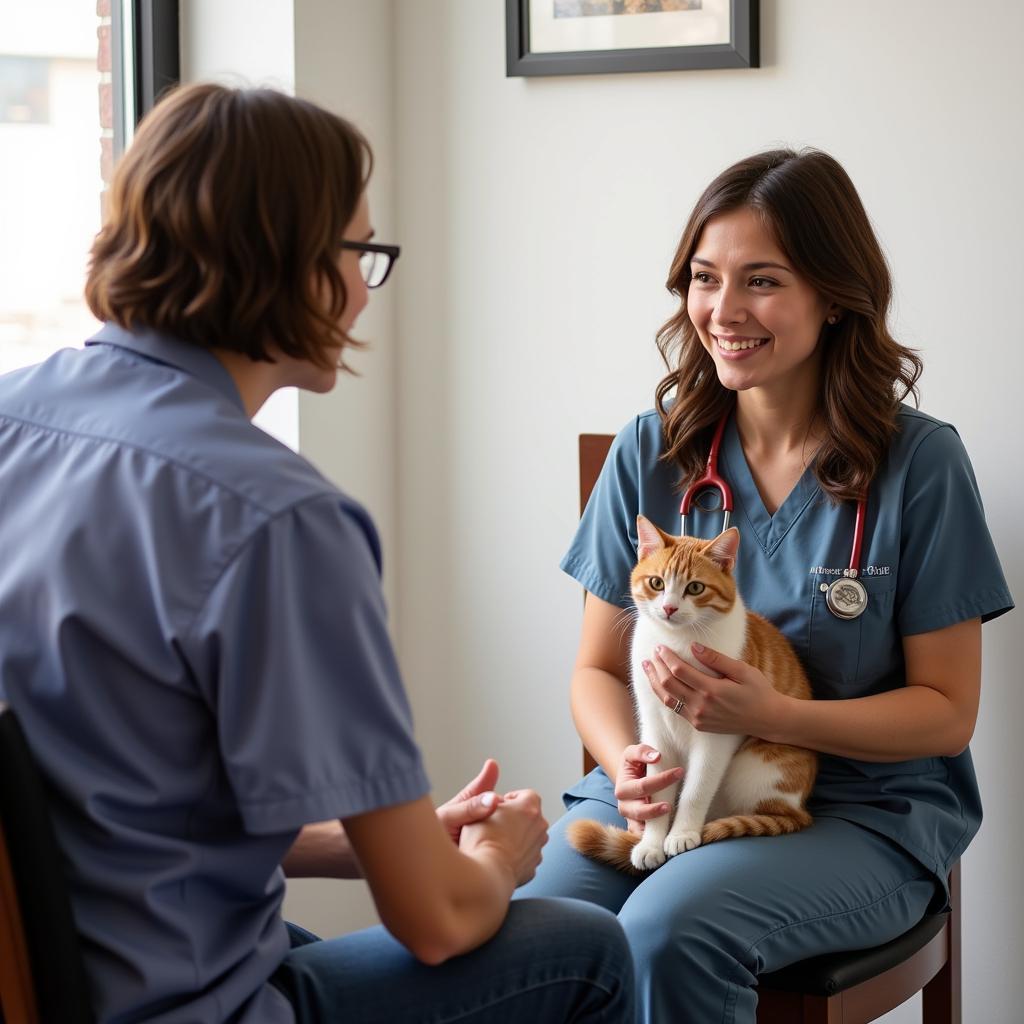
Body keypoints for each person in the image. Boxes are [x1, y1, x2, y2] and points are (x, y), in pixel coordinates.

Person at [0, 83, 634, 1024]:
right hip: (179, 1003)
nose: (358, 289)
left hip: (66, 968)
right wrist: (496, 860)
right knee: (587, 948)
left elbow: (115, 800)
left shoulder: (15, 417)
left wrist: (376, 840)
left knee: (308, 945)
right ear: (291, 262)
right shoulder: (278, 518)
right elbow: (435, 922)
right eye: (360, 252)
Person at [517, 148, 1014, 1022]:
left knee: (671, 931)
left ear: (834, 295)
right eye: (705, 279)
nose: (724, 311)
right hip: (662, 786)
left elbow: (946, 711)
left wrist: (775, 718)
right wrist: (626, 764)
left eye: (763, 281)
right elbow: (596, 670)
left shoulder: (920, 464)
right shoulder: (654, 449)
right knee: (526, 931)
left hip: (853, 809)